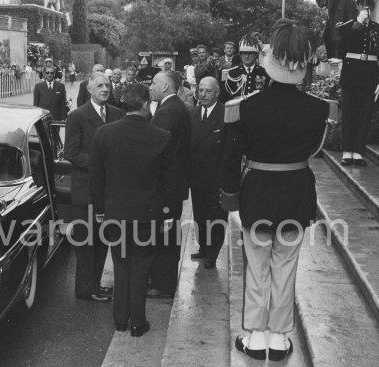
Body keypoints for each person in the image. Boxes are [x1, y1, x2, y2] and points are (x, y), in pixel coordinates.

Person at [221, 19, 328, 362]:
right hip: (296, 193)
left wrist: (231, 199)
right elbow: (312, 150)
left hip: (257, 194)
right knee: (286, 266)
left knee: (257, 266)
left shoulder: (245, 106)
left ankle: (254, 335)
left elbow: (230, 157)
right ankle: (279, 338)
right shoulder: (319, 109)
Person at [91, 83, 175, 337]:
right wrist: (169, 213)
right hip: (148, 215)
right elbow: (169, 180)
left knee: (121, 264)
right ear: (145, 105)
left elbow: (97, 177)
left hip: (115, 213)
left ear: (123, 104)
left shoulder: (103, 134)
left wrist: (99, 211)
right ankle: (138, 322)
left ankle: (120, 319)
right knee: (141, 267)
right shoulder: (162, 137)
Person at [64, 72, 124, 303]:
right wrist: (100, 166)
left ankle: (94, 285)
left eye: (107, 85)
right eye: (99, 85)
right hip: (86, 189)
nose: (105, 89)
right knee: (85, 241)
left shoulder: (118, 115)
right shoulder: (77, 116)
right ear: (89, 89)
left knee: (102, 240)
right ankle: (86, 289)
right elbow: (71, 152)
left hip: (109, 192)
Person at [147, 71, 191, 298]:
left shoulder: (166, 113)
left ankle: (162, 285)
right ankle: (165, 282)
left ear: (165, 87)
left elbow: (157, 153)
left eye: (154, 82)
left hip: (166, 187)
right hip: (175, 184)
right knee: (169, 233)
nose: (150, 86)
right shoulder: (178, 108)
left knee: (164, 236)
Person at [188, 77, 227, 269]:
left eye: (207, 91)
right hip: (196, 177)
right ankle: (203, 247)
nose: (202, 94)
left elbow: (230, 151)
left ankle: (213, 253)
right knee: (200, 215)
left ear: (217, 93)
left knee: (216, 217)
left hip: (217, 178)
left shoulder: (226, 115)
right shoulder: (192, 114)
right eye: (200, 90)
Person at [337, 0, 378, 166]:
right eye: (362, 4)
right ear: (357, 6)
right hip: (351, 74)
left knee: (364, 114)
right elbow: (343, 47)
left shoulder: (377, 28)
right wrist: (358, 23)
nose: (366, 7)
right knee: (349, 113)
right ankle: (347, 151)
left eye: (369, 5)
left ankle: (358, 152)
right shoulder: (347, 27)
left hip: (370, 75)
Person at [224, 34, 270, 100]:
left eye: (250, 53)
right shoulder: (232, 73)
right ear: (240, 55)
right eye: (244, 53)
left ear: (255, 55)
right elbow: (224, 97)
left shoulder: (263, 72)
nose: (247, 56)